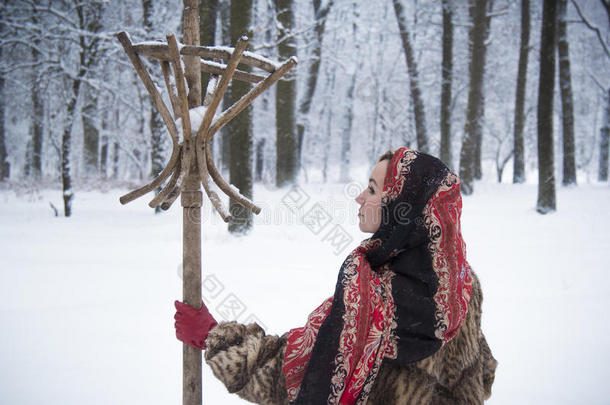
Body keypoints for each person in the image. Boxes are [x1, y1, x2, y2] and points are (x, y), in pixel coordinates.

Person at [174, 147, 497, 404]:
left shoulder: (372, 299)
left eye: (372, 189)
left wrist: (214, 337)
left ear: (402, 208)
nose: (359, 197)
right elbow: (479, 374)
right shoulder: (461, 283)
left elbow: (286, 378)